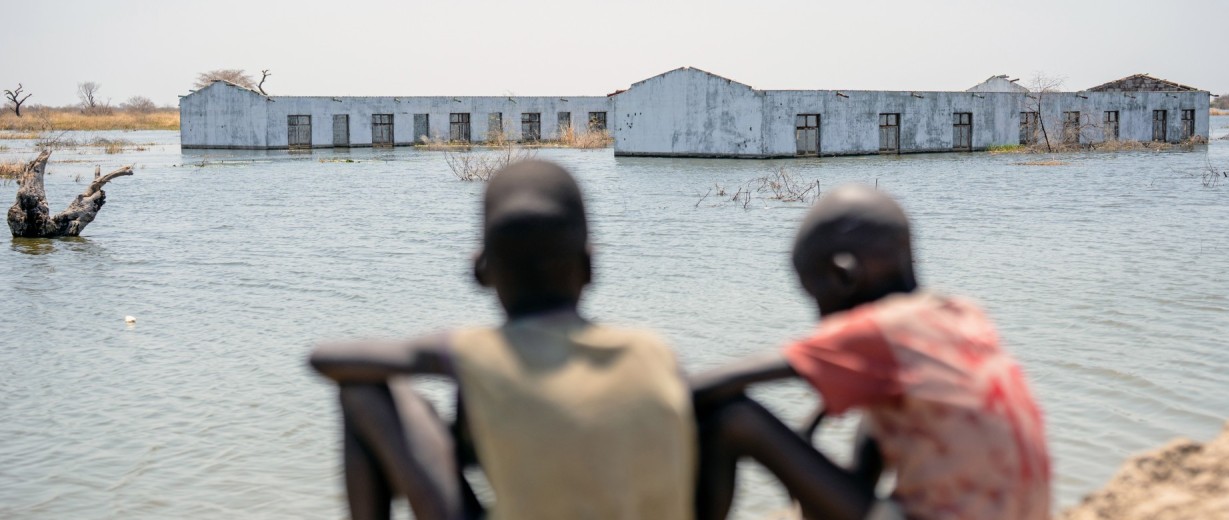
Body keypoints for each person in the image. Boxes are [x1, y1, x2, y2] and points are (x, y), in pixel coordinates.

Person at [310, 160, 696, 520]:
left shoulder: (477, 352)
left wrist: (443, 370)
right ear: (591, 266)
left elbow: (325, 358)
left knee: (364, 392)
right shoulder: (652, 350)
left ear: (481, 271)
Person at [692, 184, 1051, 520]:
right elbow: (864, 470)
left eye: (817, 299)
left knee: (733, 419)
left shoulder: (881, 329)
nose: (820, 321)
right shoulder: (960, 315)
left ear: (843, 275)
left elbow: (704, 388)